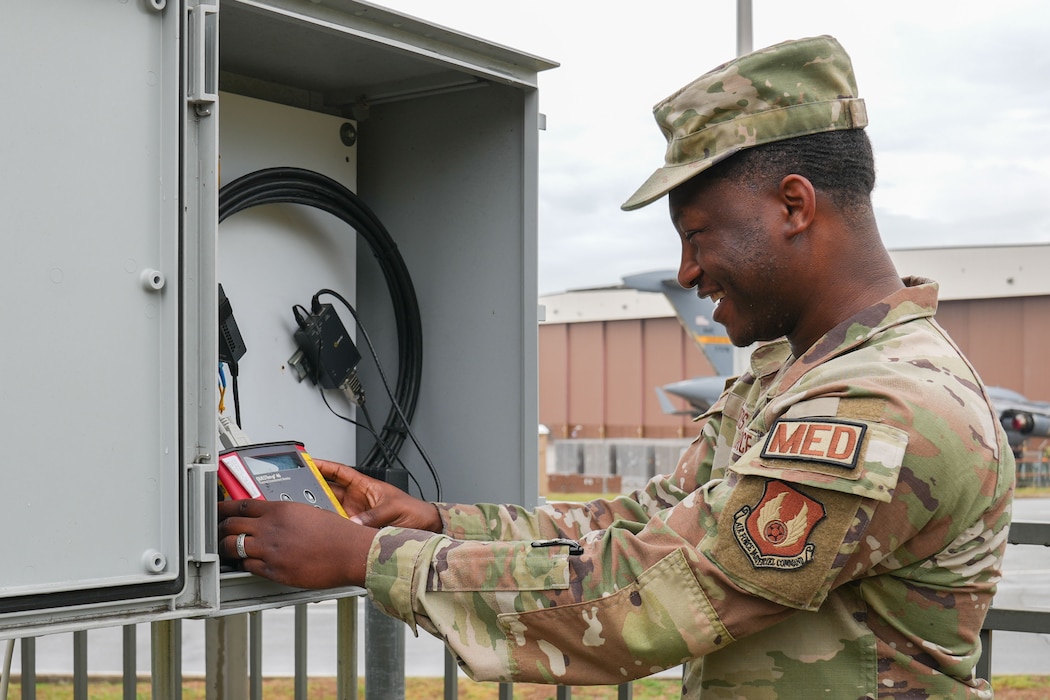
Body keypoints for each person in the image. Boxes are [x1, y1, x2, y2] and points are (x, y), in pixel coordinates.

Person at [218, 35, 1014, 697]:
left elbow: (651, 598)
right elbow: (635, 527)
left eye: (698, 235)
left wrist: (365, 558)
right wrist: (432, 521)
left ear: (795, 206)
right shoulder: (791, 376)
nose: (687, 271)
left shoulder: (880, 404)